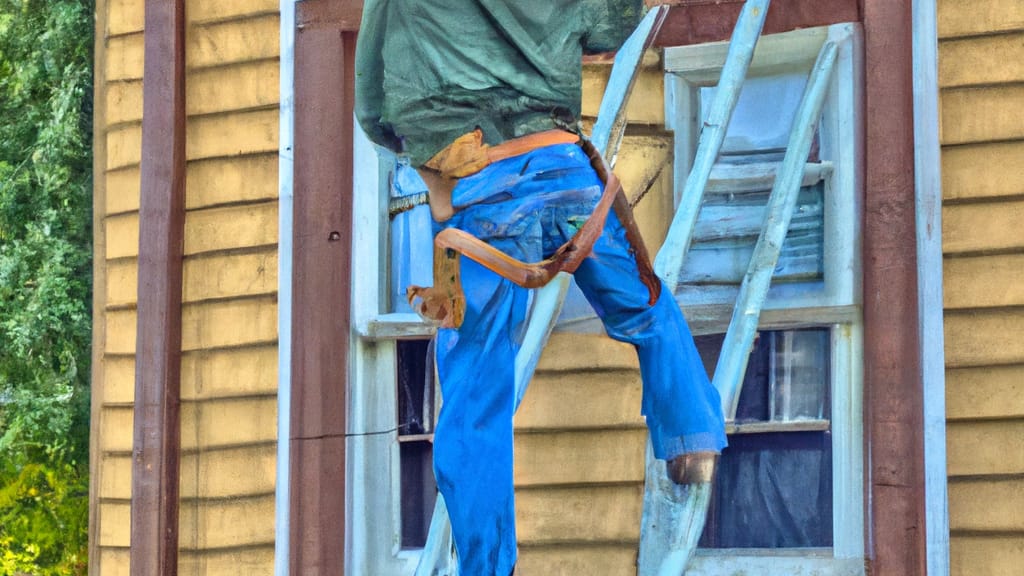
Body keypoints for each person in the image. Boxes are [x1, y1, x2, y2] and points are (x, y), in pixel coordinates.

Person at [355, 2, 727, 574]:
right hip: (569, 183)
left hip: (482, 200)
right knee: (644, 303)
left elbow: (374, 107)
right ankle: (692, 442)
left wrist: (429, 161)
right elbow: (610, 25)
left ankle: (485, 565)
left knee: (477, 386)